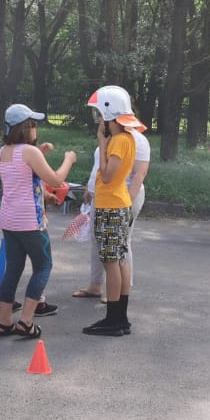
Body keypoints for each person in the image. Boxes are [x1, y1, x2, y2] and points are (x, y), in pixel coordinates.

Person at [0, 103, 76, 339]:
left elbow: (23, 175)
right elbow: (56, 180)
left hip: (9, 221)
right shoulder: (30, 152)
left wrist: (41, 153)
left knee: (13, 269)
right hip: (30, 222)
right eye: (33, 124)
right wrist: (69, 160)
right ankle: (26, 321)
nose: (36, 128)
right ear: (25, 127)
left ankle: (4, 322)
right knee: (43, 266)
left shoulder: (4, 151)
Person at [71, 86, 150, 302]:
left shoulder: (130, 140)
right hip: (105, 198)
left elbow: (137, 174)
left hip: (118, 200)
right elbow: (99, 166)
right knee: (101, 244)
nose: (98, 119)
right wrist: (90, 189)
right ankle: (97, 285)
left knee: (118, 249)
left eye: (100, 114)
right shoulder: (114, 138)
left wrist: (126, 204)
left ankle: (118, 294)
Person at [82, 85, 142, 338]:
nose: (98, 120)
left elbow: (107, 176)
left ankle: (113, 319)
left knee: (111, 262)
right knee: (120, 259)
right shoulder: (127, 139)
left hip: (111, 207)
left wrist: (101, 143)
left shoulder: (118, 141)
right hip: (118, 205)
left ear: (110, 116)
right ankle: (120, 318)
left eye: (100, 115)